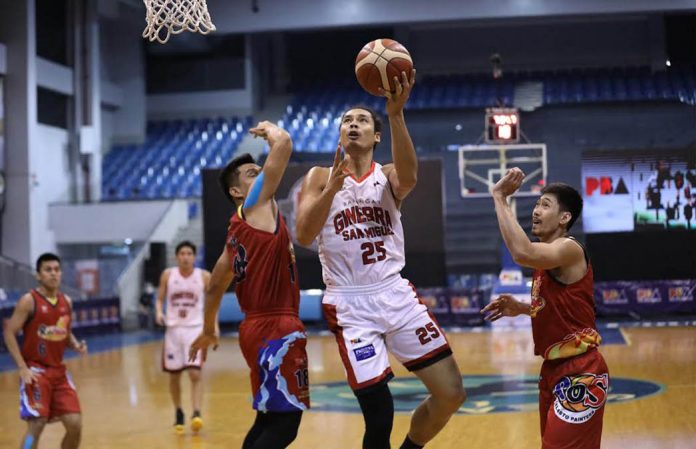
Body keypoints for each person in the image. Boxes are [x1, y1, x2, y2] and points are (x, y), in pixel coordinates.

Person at [295, 71, 466, 449]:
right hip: (349, 302)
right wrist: (333, 189)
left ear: (375, 136)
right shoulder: (319, 177)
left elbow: (410, 178)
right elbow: (305, 234)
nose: (352, 124)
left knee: (451, 393)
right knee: (379, 414)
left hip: (394, 293)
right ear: (340, 134)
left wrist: (396, 114)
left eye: (361, 120)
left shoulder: (386, 175)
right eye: (346, 120)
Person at [189, 121, 309, 449]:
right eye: (251, 174)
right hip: (277, 328)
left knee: (267, 419)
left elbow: (215, 285)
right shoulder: (256, 206)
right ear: (237, 192)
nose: (261, 175)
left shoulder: (235, 231)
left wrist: (209, 327)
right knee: (285, 427)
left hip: (253, 330)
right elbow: (283, 143)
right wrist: (269, 129)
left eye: (260, 170)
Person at [481, 168, 610, 449]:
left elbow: (521, 252)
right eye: (537, 204)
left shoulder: (569, 249)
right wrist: (522, 308)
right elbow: (559, 307)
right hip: (553, 370)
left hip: (581, 371)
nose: (536, 210)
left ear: (565, 218)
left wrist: (500, 198)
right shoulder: (546, 262)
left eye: (545, 205)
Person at [2, 253, 88, 449]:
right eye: (48, 270)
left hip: (59, 372)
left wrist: (75, 344)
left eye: (56, 270)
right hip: (36, 371)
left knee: (75, 425)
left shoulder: (67, 301)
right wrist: (22, 368)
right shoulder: (29, 300)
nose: (53, 274)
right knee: (36, 426)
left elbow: (64, 330)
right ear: (38, 275)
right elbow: (9, 332)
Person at [155, 241, 211, 434]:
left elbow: (213, 303)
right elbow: (160, 298)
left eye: (189, 253)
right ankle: (178, 411)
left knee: (195, 373)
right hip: (173, 330)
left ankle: (196, 412)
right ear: (176, 256)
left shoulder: (203, 277)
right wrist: (158, 312)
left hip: (195, 330)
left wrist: (213, 328)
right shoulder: (168, 275)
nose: (185, 256)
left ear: (194, 257)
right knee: (174, 375)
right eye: (182, 253)